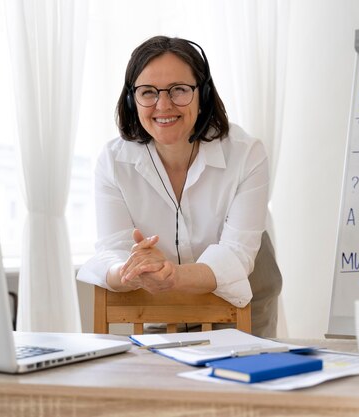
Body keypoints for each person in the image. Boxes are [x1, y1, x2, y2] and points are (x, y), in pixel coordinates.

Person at [77, 36, 282, 337]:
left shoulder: (247, 154)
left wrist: (173, 275)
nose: (163, 105)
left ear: (204, 96)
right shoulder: (112, 162)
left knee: (235, 381)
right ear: (133, 101)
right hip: (159, 294)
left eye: (179, 90)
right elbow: (113, 250)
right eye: (148, 92)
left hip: (243, 293)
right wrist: (132, 271)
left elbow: (236, 254)